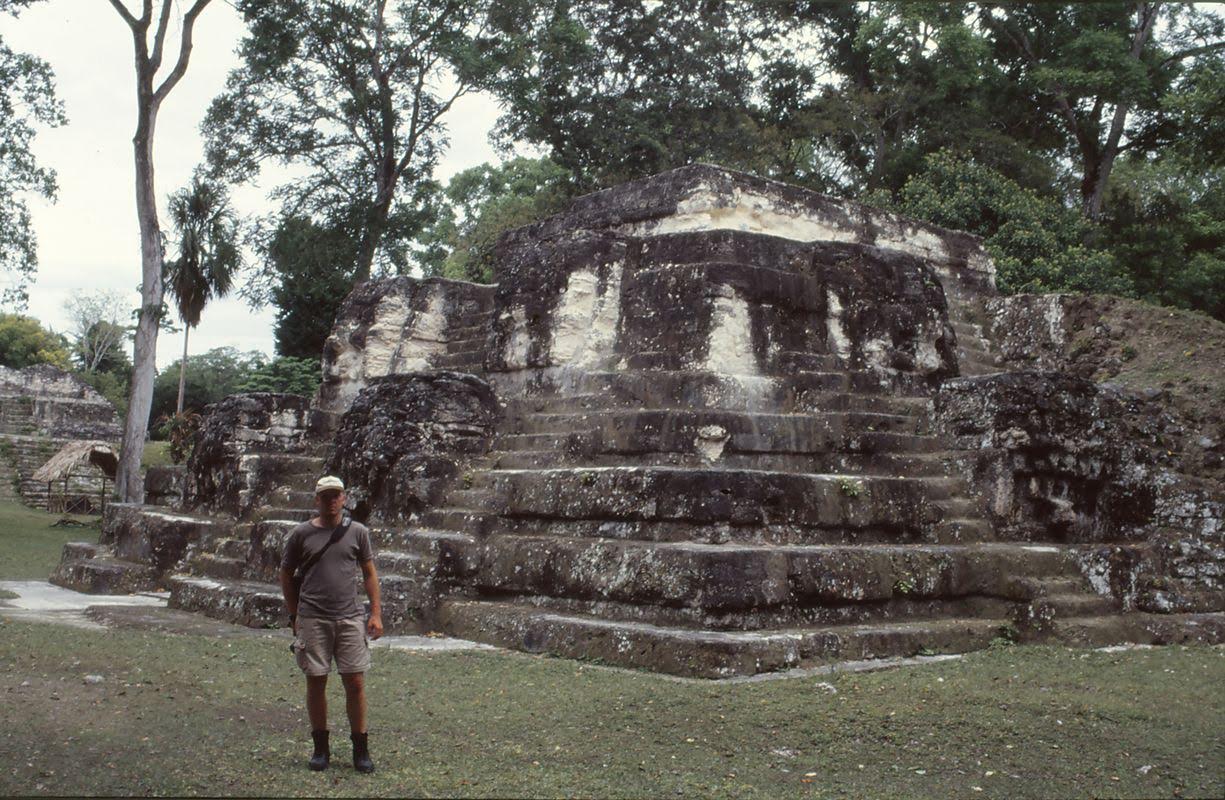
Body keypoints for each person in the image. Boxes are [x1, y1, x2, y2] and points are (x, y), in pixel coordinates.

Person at [279, 475, 383, 773]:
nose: (331, 500)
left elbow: (369, 573)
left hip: (349, 616)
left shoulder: (358, 532)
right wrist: (294, 613)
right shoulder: (301, 534)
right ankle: (320, 747)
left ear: (344, 498)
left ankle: (360, 748)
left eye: (336, 495)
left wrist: (374, 613)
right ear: (317, 500)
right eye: (325, 496)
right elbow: (286, 574)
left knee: (355, 681)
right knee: (316, 680)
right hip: (313, 617)